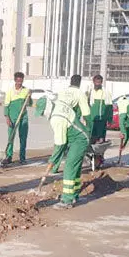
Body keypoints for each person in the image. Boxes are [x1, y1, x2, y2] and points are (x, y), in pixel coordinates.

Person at [47, 75, 90, 210]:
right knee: (75, 166)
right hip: (78, 136)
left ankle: (66, 200)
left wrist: (52, 160)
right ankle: (74, 194)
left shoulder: (56, 118)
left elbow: (60, 144)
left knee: (69, 167)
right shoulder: (60, 107)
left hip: (80, 139)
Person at [3, 72, 32, 164]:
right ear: (15, 80)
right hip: (12, 117)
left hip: (23, 117)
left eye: (21, 80)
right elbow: (6, 105)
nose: (19, 82)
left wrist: (30, 97)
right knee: (11, 137)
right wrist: (7, 117)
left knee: (23, 138)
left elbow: (29, 104)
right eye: (18, 80)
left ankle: (22, 158)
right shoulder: (10, 91)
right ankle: (9, 156)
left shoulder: (26, 91)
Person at [87, 74, 112, 144]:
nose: (97, 84)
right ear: (93, 82)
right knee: (91, 139)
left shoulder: (106, 92)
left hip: (101, 119)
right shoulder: (90, 92)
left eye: (99, 82)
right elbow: (87, 104)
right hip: (91, 119)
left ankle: (99, 153)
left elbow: (109, 106)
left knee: (100, 141)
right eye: (96, 82)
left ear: (101, 82)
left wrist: (110, 119)